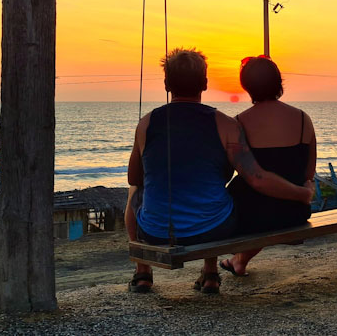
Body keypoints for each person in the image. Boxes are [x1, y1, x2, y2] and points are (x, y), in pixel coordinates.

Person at [125, 48, 313, 294]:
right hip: (215, 229)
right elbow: (254, 177)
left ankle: (142, 272)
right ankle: (211, 273)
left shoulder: (146, 123)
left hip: (155, 231)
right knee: (218, 188)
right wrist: (302, 192)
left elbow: (134, 177)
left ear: (166, 84)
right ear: (204, 83)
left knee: (133, 192)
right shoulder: (225, 124)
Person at [220, 55, 316, 277]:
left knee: (231, 198)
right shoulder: (303, 119)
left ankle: (211, 272)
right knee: (266, 207)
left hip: (251, 216)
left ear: (246, 86)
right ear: (279, 82)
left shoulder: (239, 123)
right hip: (294, 212)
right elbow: (308, 173)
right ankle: (239, 262)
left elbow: (229, 173)